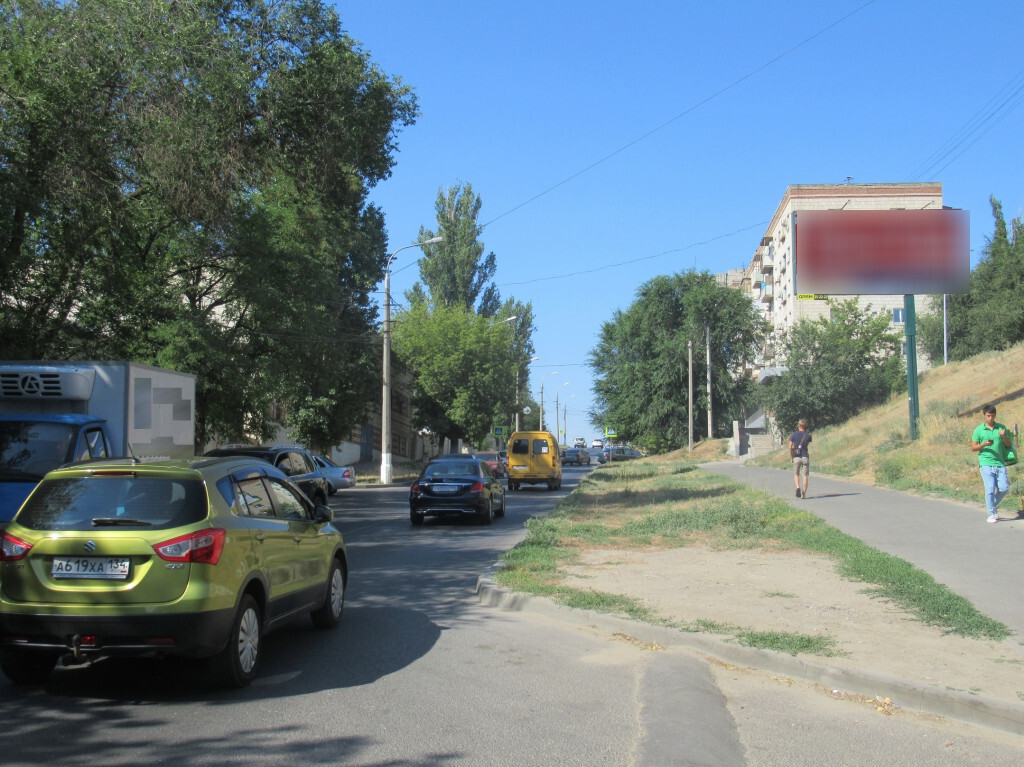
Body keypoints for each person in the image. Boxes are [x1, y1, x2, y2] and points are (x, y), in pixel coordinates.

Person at [971, 403, 1013, 523]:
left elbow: (1008, 445)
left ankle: (991, 504)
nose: (991, 418)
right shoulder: (978, 430)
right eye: (988, 416)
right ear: (984, 415)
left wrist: (1004, 436)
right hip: (985, 462)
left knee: (1004, 488)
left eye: (993, 416)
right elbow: (973, 448)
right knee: (989, 488)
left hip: (999, 463)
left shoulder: (1001, 428)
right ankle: (991, 513)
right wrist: (984, 444)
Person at [789, 419, 812, 499]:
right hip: (805, 456)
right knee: (805, 476)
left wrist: (791, 457)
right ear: (805, 426)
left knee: (796, 474)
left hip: (796, 457)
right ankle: (803, 494)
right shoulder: (808, 436)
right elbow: (806, 444)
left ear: (798, 425)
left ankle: (798, 487)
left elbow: (790, 447)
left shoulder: (793, 435)